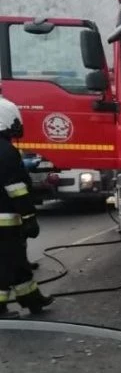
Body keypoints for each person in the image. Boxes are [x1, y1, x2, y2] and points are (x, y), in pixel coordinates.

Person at [0, 98, 52, 318]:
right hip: (5, 219)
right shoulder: (5, 151)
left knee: (17, 259)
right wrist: (29, 216)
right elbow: (16, 188)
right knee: (6, 262)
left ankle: (31, 298)